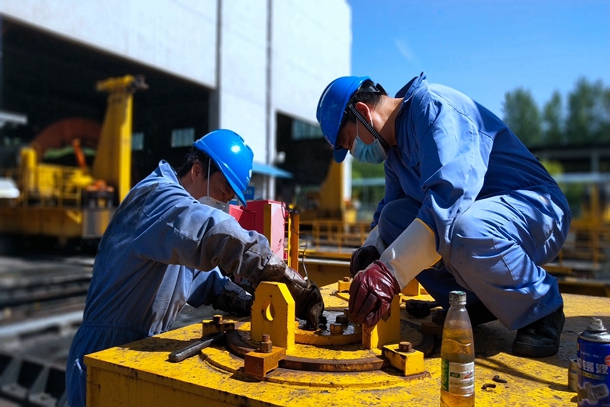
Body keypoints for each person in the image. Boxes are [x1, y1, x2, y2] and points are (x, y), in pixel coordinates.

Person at [316, 73, 571, 359]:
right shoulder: (395, 153)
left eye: (350, 141)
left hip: (536, 209)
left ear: (363, 113)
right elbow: (390, 210)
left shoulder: (433, 108)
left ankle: (541, 309)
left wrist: (389, 272)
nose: (354, 152)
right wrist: (371, 250)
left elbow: (448, 199)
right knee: (393, 220)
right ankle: (474, 302)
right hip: (485, 221)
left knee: (462, 228)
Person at [66, 129, 324, 407]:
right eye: (223, 191)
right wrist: (282, 275)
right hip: (102, 349)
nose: (224, 203)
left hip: (137, 348)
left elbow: (200, 279)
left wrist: (244, 300)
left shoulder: (173, 221)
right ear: (198, 169)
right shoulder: (156, 198)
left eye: (230, 198)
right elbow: (210, 232)